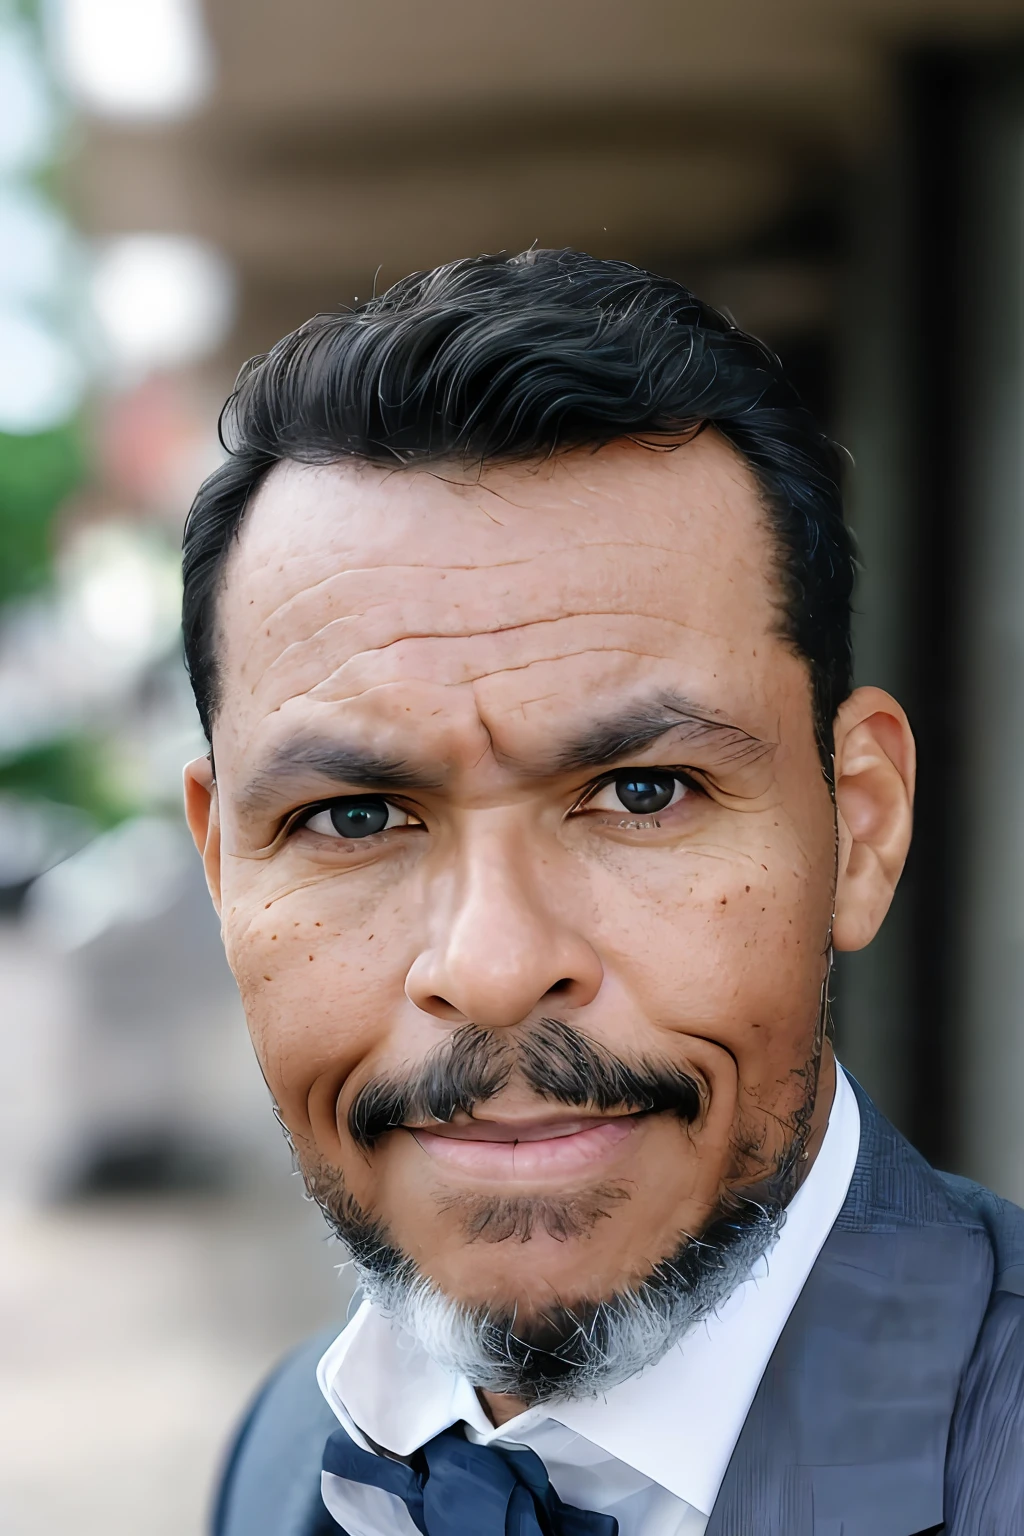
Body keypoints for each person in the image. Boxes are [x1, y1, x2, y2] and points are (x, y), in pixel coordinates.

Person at [181, 249, 1024, 1536]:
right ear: (224, 868)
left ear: (859, 827)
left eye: (641, 793)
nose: (498, 964)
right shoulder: (284, 1449)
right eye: (355, 817)